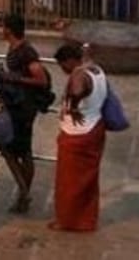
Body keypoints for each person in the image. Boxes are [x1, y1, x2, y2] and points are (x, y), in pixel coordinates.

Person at [50, 42, 106, 232]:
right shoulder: (95, 68)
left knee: (69, 182)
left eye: (63, 65)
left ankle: (67, 221)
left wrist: (72, 107)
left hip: (77, 135)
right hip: (96, 126)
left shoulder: (79, 74)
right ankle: (86, 219)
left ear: (70, 61)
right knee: (88, 181)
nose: (63, 70)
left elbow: (77, 90)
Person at [0, 13, 48, 214]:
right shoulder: (15, 49)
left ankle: (24, 191)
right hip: (15, 104)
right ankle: (23, 191)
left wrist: (15, 79)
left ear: (9, 29)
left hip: (24, 107)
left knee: (18, 150)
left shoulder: (26, 52)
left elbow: (41, 79)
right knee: (13, 148)